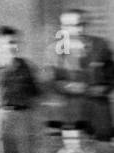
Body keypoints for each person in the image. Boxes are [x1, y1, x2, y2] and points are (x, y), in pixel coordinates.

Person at [48, 8, 113, 141]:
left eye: (82, 24)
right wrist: (67, 86)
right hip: (72, 114)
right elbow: (50, 82)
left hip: (99, 113)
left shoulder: (101, 45)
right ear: (63, 27)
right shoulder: (55, 50)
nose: (79, 29)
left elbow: (112, 75)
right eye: (72, 26)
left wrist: (105, 88)